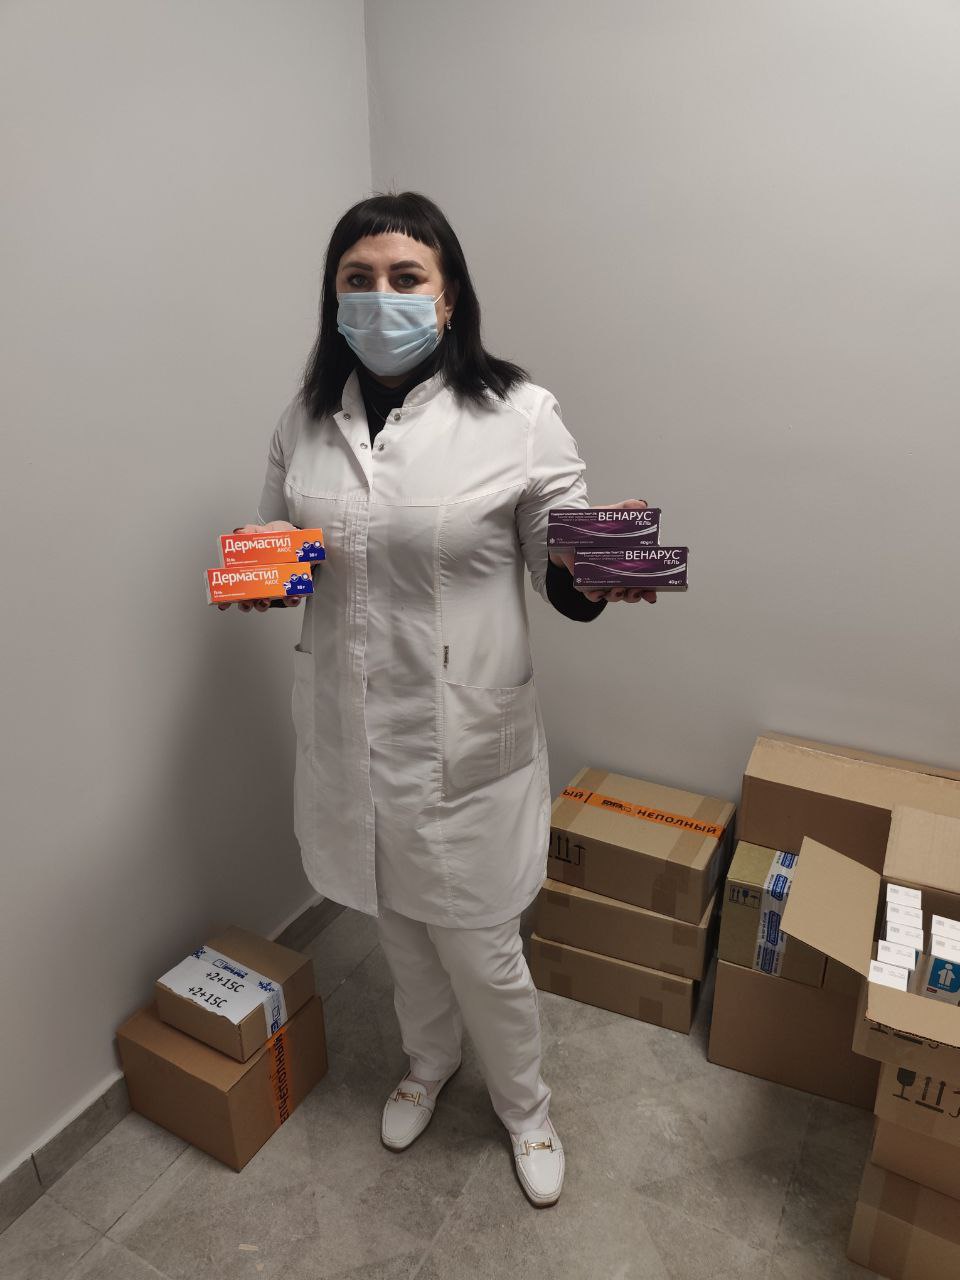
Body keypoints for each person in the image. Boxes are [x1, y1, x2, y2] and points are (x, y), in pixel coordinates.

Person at [221, 192, 655, 1207]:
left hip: (465, 741)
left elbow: (560, 570)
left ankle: (526, 1107)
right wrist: (262, 573)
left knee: (483, 947)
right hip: (351, 734)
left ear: (448, 295)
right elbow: (284, 546)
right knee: (399, 928)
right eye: (358, 278)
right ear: (334, 298)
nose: (381, 296)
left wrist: (599, 567)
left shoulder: (518, 415)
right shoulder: (304, 421)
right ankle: (428, 1062)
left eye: (405, 277)